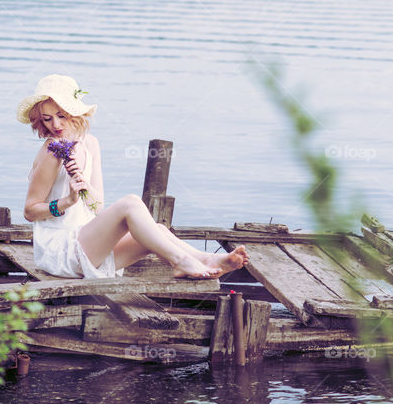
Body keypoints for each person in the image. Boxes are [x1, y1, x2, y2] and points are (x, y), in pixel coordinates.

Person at [17, 74, 249, 279]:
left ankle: (204, 258)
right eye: (47, 119)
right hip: (61, 251)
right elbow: (30, 210)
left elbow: (97, 208)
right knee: (130, 204)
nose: (55, 124)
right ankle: (179, 261)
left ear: (75, 112)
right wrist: (67, 201)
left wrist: (84, 186)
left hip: (89, 244)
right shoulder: (52, 151)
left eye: (61, 115)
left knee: (156, 230)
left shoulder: (90, 144)